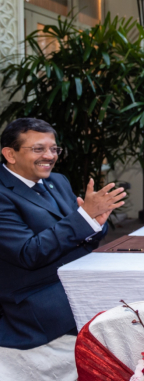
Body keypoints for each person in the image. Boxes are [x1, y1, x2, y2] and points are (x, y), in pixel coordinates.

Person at [0, 118, 125, 379]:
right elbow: (29, 253)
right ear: (9, 154)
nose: (50, 156)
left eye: (54, 149)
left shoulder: (57, 180)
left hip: (78, 283)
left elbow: (81, 238)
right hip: (36, 302)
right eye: (38, 149)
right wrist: (84, 219)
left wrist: (94, 222)